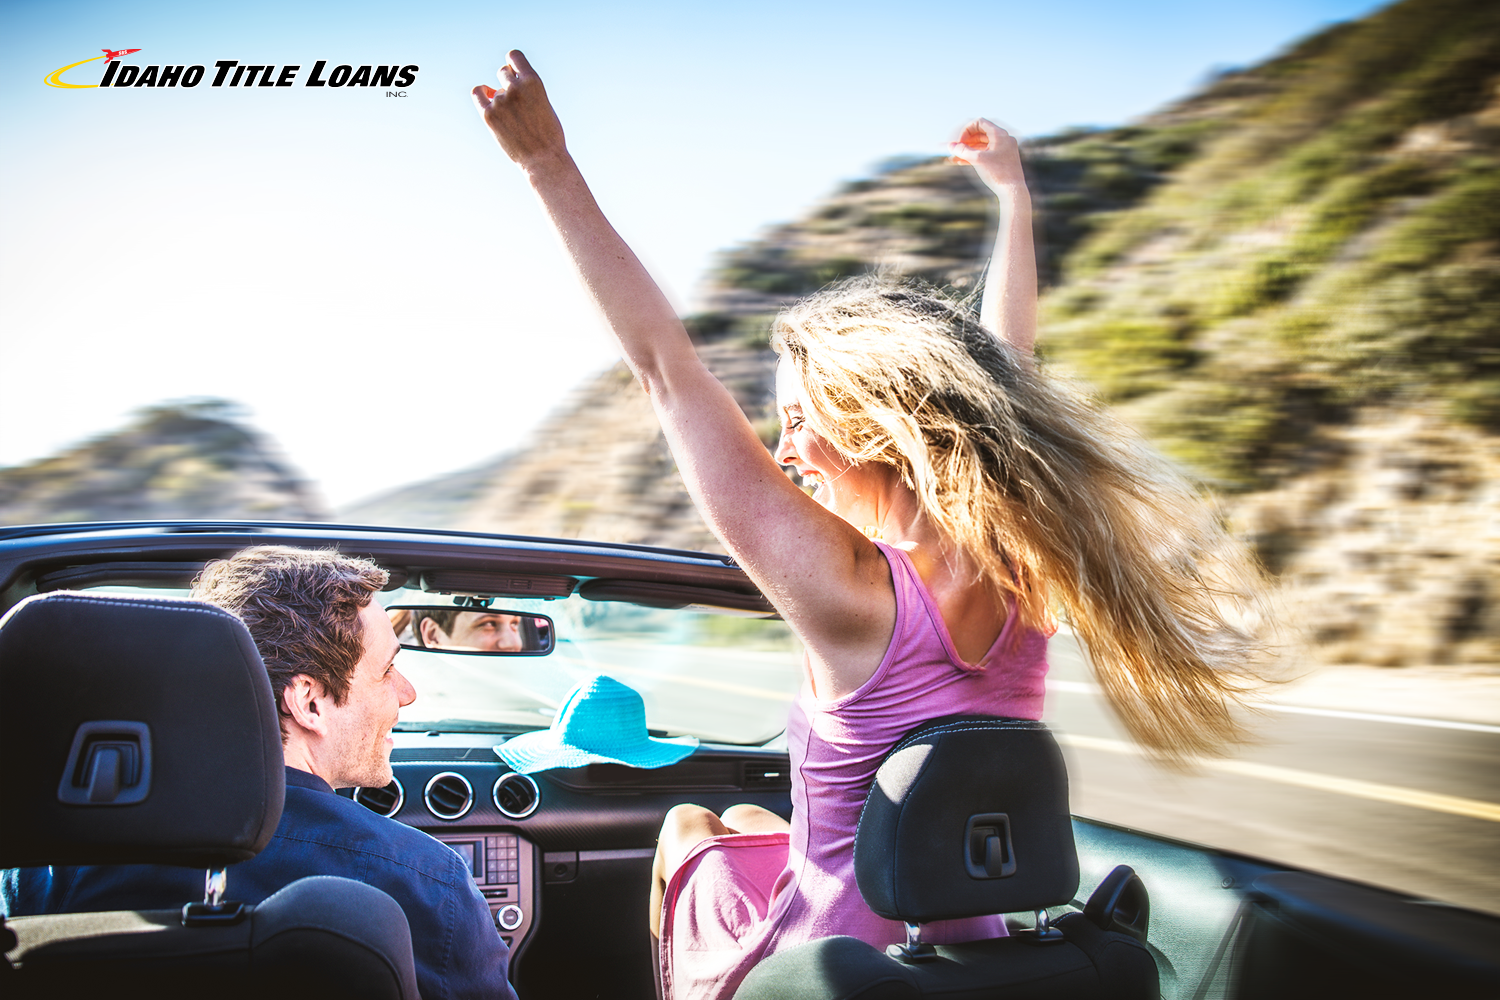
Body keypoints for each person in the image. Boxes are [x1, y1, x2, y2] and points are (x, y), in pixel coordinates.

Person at [472, 52, 1266, 1000]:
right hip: (976, 960)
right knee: (747, 830)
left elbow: (665, 369)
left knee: (689, 825)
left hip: (824, 968)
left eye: (798, 418)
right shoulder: (1021, 564)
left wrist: (546, 165)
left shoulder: (851, 592)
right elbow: (1003, 376)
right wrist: (1013, 196)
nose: (786, 446)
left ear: (877, 429)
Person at [2, 546, 519, 1000]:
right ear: (309, 701)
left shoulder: (41, 872)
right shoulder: (425, 881)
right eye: (386, 670)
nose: (407, 692)